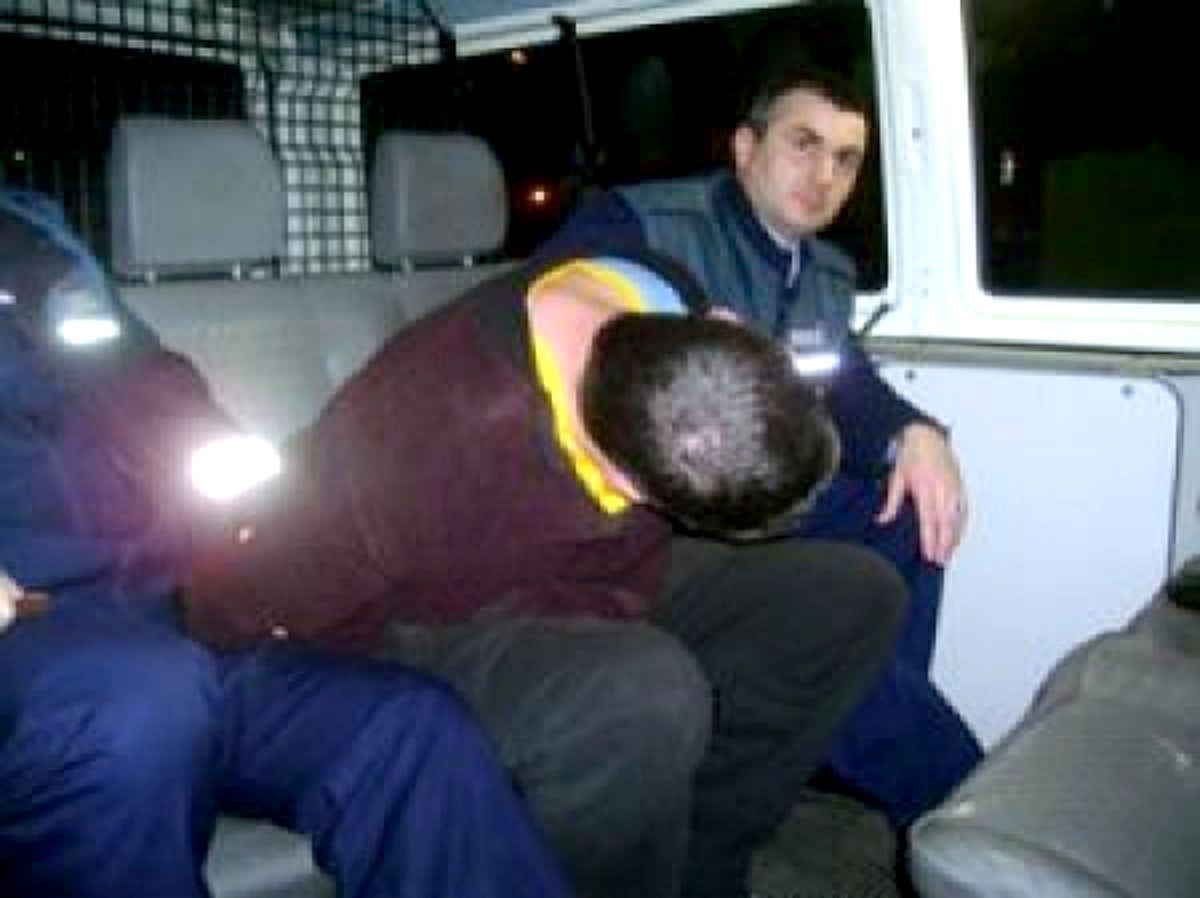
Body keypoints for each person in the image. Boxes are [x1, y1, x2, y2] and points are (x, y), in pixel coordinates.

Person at [182, 250, 907, 898]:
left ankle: (702, 866)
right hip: (419, 619)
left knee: (850, 596)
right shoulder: (417, 452)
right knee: (641, 692)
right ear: (626, 485)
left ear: (724, 325)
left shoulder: (658, 290)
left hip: (598, 572)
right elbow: (234, 609)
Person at [0, 190, 573, 898]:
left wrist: (216, 458)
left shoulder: (30, 235)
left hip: (164, 620)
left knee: (412, 726)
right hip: (38, 646)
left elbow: (142, 378)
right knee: (138, 702)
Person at [536, 59, 983, 825]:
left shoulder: (824, 273)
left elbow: (843, 380)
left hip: (772, 496)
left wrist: (915, 434)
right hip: (670, 513)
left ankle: (830, 734)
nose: (825, 175)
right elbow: (548, 336)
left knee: (911, 507)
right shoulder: (643, 226)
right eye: (804, 143)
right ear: (746, 148)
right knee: (828, 628)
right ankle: (964, 809)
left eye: (846, 159)